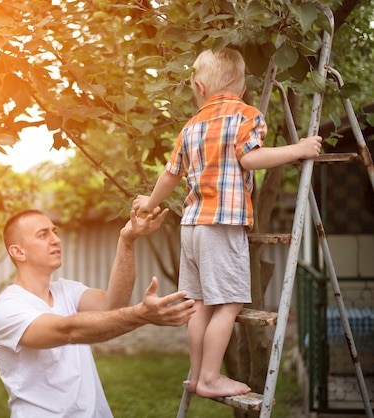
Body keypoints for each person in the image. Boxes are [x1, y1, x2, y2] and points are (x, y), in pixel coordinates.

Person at [132, 47, 323, 399]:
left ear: (200, 87)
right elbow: (251, 159)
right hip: (223, 224)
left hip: (192, 227)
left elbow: (171, 174)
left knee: (200, 305)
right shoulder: (246, 115)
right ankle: (210, 377)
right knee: (231, 303)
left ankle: (197, 372)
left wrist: (150, 202)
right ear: (241, 85)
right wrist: (298, 149)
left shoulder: (190, 127)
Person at [0, 208, 196, 417]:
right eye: (43, 235)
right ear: (18, 252)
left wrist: (127, 240)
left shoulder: (66, 290)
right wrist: (141, 315)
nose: (56, 240)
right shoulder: (8, 307)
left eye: (55, 231)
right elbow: (67, 331)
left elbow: (113, 305)